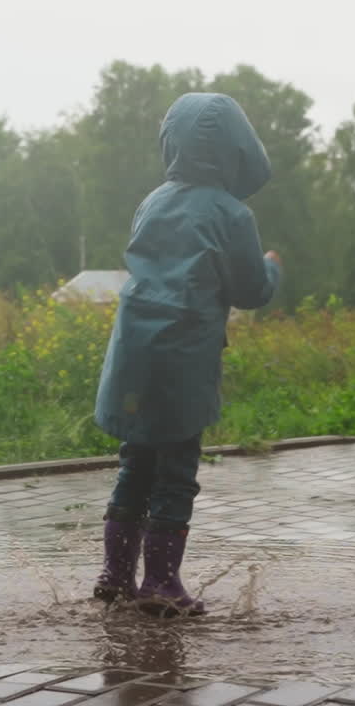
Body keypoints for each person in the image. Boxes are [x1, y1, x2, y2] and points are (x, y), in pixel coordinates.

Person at [91, 92, 282, 617]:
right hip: (182, 356)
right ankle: (160, 582)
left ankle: (114, 576)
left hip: (133, 352)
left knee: (136, 463)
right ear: (236, 150)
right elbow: (249, 290)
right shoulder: (230, 213)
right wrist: (272, 268)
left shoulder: (151, 201)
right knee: (176, 471)